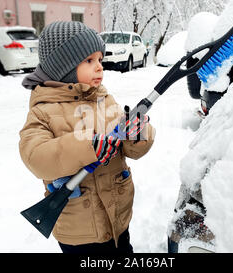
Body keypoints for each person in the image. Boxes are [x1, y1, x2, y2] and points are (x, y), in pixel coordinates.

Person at [18, 21, 155, 254]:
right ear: (64, 66)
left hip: (117, 215)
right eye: (89, 61)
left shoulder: (104, 100)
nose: (99, 67)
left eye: (100, 60)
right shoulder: (43, 110)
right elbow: (35, 156)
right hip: (79, 230)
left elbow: (132, 150)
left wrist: (138, 132)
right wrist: (86, 147)